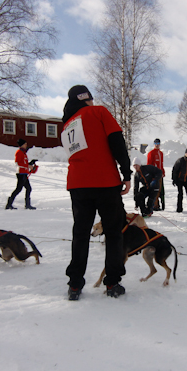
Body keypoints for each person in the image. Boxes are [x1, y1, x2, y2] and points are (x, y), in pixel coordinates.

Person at [60, 85, 132, 300]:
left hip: (77, 184)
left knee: (80, 234)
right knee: (113, 233)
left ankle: (74, 284)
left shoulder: (67, 125)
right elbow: (117, 141)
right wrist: (126, 173)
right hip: (104, 181)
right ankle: (112, 283)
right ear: (86, 99)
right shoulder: (98, 112)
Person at [5, 139, 38, 210]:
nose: (26, 145)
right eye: (25, 144)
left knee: (28, 188)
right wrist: (28, 166)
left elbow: (24, 163)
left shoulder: (23, 153)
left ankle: (27, 205)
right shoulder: (19, 152)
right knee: (19, 189)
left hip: (24, 173)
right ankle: (9, 204)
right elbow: (18, 163)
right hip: (21, 173)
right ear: (22, 145)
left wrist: (31, 163)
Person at [171, 147, 187, 214]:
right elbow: (175, 170)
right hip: (180, 180)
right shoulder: (180, 160)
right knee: (180, 194)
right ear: (185, 154)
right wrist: (174, 179)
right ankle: (179, 209)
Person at [146, 138, 165, 210]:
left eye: (158, 144)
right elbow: (149, 164)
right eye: (155, 144)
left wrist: (163, 171)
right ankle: (154, 205)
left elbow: (161, 164)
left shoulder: (161, 153)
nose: (157, 145)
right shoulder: (151, 153)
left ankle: (157, 204)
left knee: (159, 190)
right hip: (154, 175)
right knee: (155, 190)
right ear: (154, 144)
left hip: (160, 174)